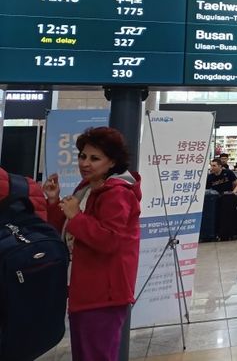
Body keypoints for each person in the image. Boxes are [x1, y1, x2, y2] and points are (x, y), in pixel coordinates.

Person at [42, 126, 142, 361]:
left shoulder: (118, 194)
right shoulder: (88, 187)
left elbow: (109, 240)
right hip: (85, 289)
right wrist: (55, 200)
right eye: (82, 156)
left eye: (95, 158)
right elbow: (68, 230)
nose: (85, 163)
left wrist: (76, 216)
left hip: (103, 294)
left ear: (112, 162)